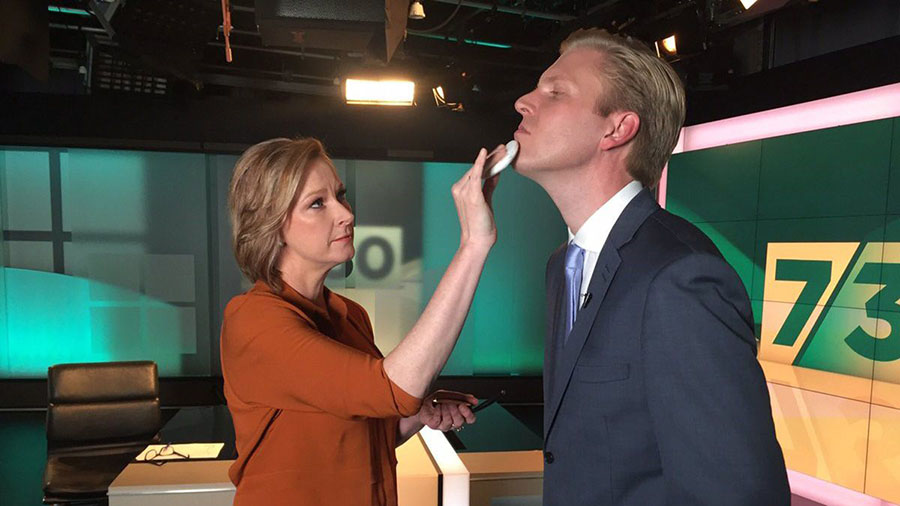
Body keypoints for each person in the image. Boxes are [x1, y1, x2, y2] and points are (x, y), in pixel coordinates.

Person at [512, 29, 790, 504]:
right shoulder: (563, 266)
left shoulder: (679, 277)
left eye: (555, 92)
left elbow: (740, 492)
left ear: (617, 129)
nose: (523, 102)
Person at [221, 137, 500, 505]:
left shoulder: (350, 315)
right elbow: (394, 389)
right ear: (271, 225)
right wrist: (473, 245)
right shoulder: (253, 321)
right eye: (317, 203)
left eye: (340, 194)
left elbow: (366, 432)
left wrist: (417, 415)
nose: (346, 214)